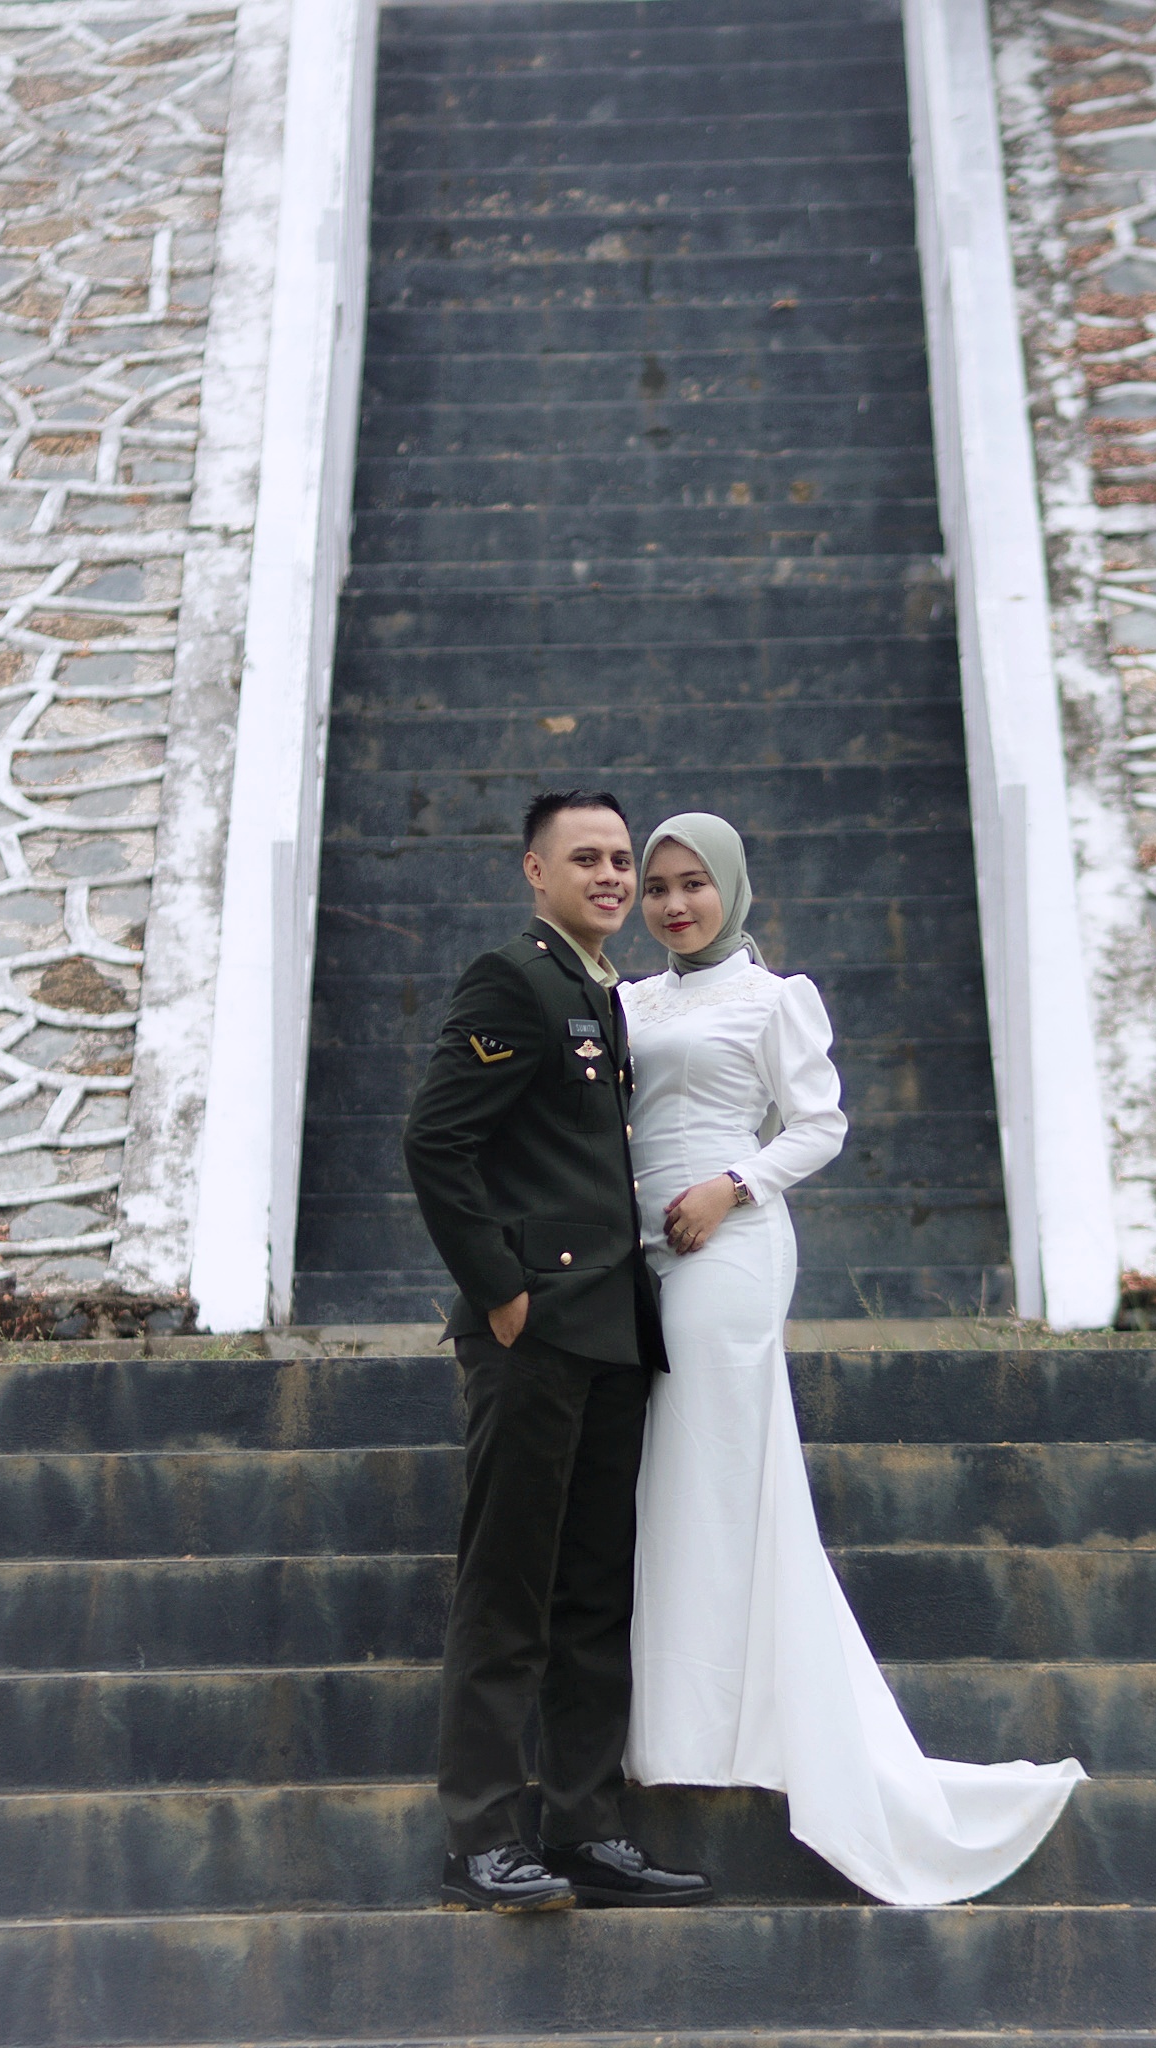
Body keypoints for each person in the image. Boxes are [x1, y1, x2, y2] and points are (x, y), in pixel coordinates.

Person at [620, 811, 1085, 1905]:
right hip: (632, 1254)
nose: (676, 904)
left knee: (719, 1477)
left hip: (727, 1250)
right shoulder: (628, 1000)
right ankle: (678, 1720)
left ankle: (753, 1725)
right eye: (659, 886)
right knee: (660, 1482)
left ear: (733, 886)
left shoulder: (774, 996)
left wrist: (731, 1185)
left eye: (694, 883)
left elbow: (818, 1122)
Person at [403, 788, 712, 1913]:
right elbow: (436, 1140)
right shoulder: (514, 980)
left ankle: (585, 1828)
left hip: (612, 1332)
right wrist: (500, 1291)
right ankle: (481, 1838)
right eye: (586, 858)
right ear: (535, 871)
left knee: (593, 1598)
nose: (612, 876)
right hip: (534, 1336)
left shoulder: (602, 995)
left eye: (621, 858)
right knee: (508, 1590)